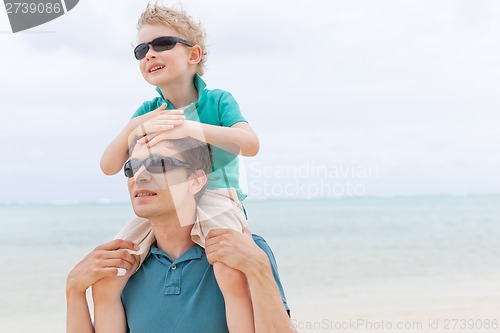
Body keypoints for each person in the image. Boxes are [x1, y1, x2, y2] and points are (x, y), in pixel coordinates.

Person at [99, 4, 259, 331]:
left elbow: (250, 144)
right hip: (167, 203)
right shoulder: (148, 109)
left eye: (161, 44)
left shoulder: (217, 100)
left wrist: (191, 129)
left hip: (215, 197)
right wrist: (138, 125)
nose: (149, 54)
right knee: (111, 269)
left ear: (193, 54)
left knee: (229, 268)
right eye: (141, 50)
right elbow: (108, 165)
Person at [66, 137, 294, 333]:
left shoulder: (244, 252)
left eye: (160, 164)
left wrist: (259, 269)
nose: (140, 176)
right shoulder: (124, 266)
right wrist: (74, 291)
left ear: (195, 181)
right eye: (132, 168)